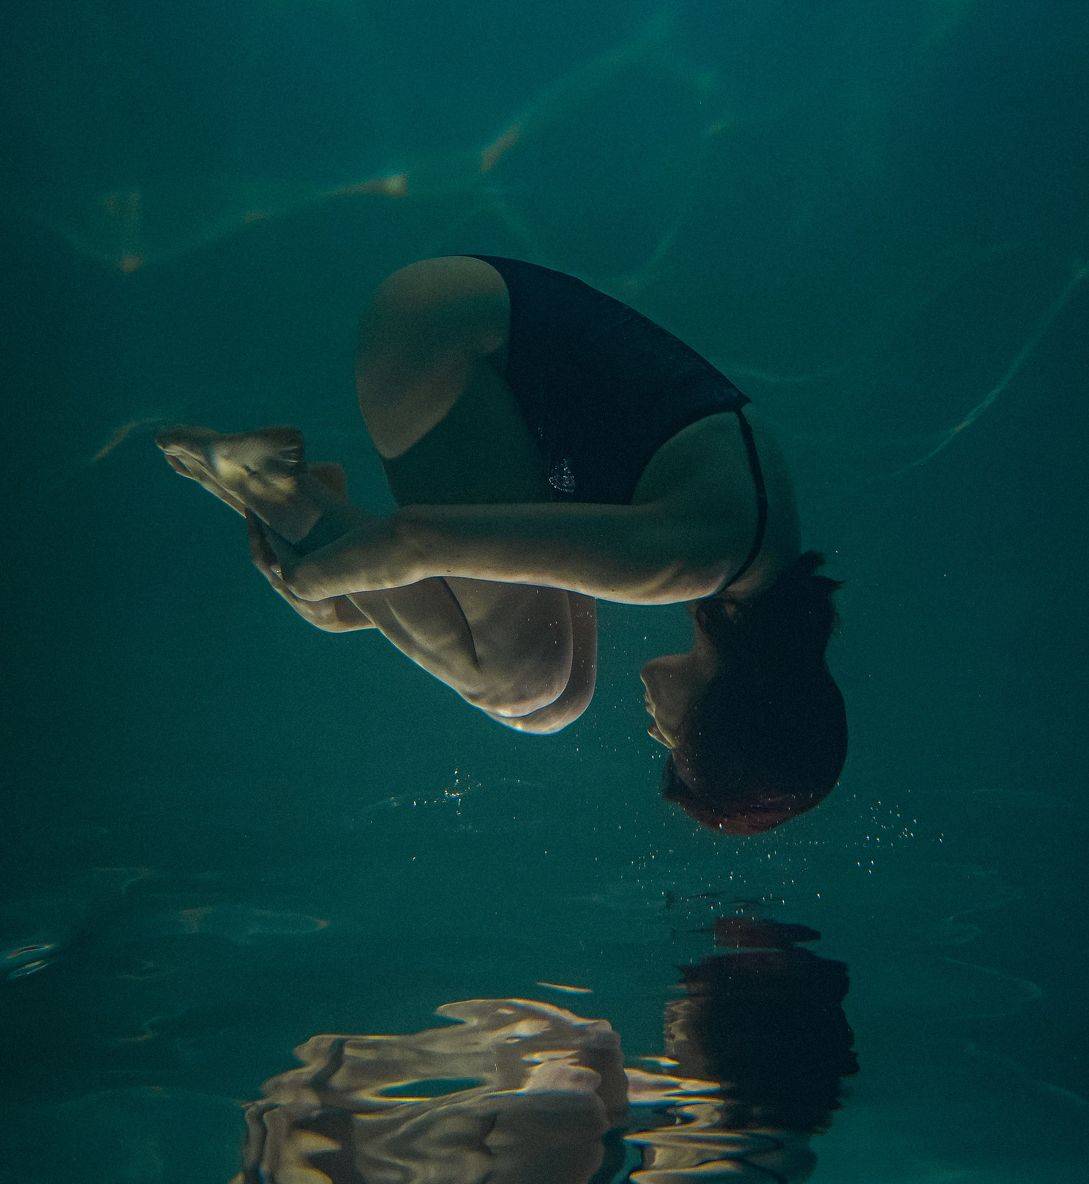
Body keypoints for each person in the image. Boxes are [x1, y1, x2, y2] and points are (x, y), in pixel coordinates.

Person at [157, 254, 846, 833]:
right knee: (524, 681)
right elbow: (417, 542)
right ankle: (275, 488)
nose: (656, 738)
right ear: (724, 716)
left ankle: (292, 502)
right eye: (679, 750)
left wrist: (363, 602)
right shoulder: (686, 560)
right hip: (441, 338)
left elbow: (506, 552)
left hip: (475, 332)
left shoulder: (745, 558)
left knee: (555, 701)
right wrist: (310, 580)